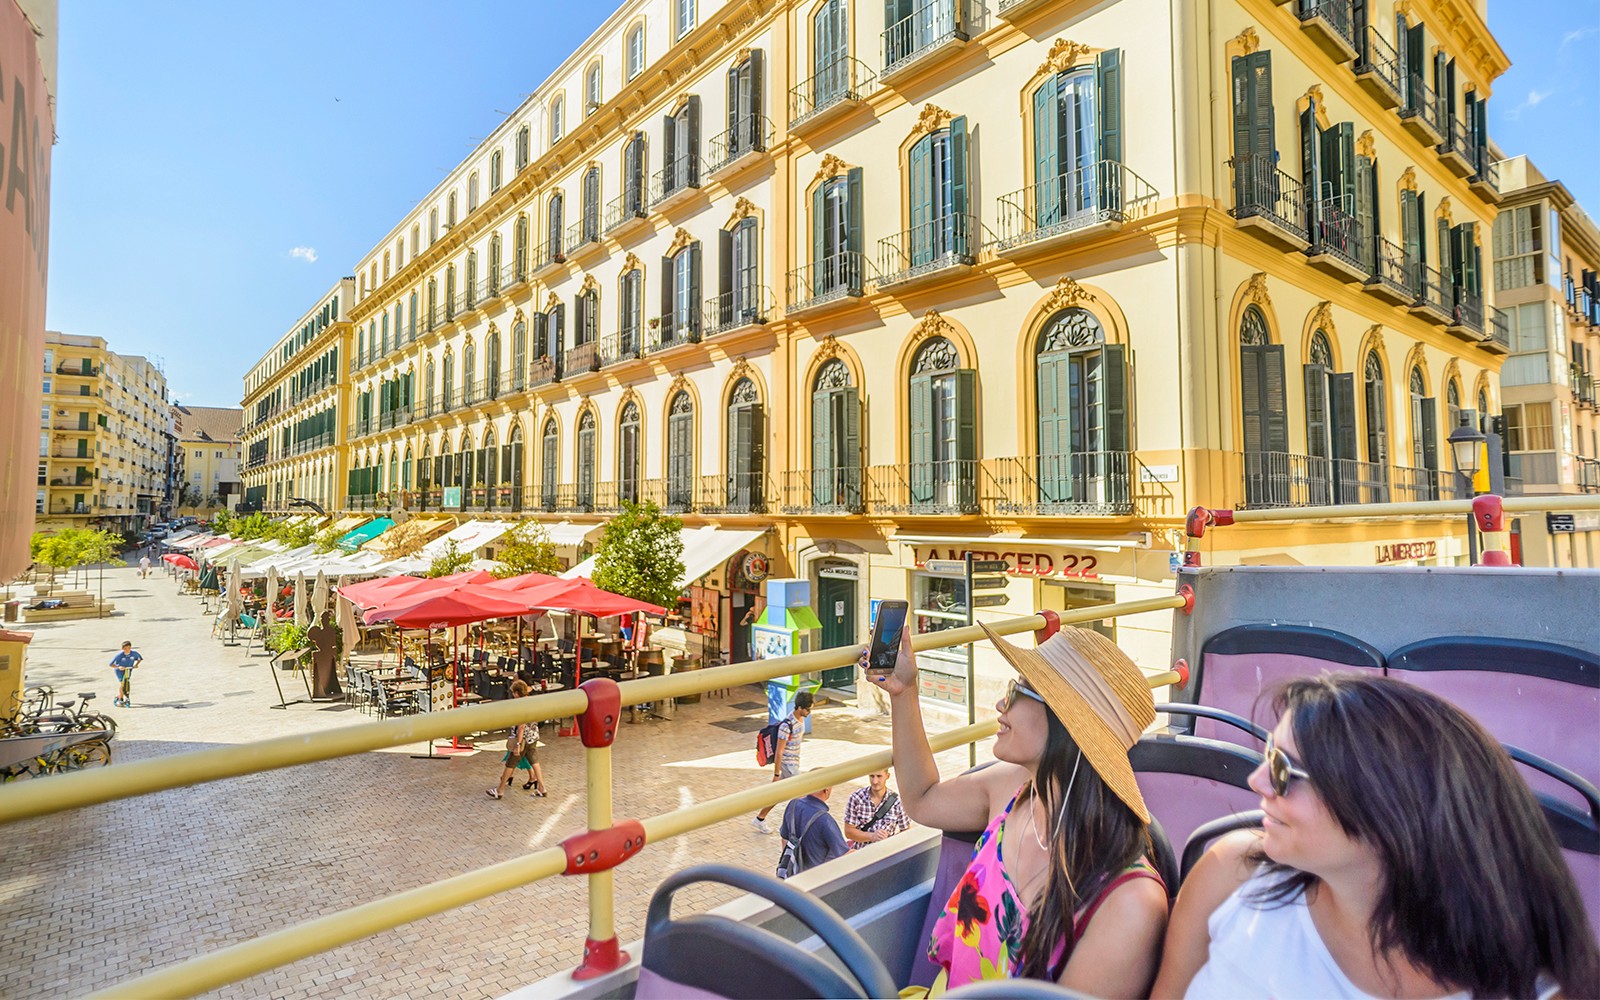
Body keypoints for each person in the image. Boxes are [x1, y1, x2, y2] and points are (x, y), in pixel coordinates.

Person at [1153, 674, 1600, 1000]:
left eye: (1282, 770)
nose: (1256, 782)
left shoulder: (1526, 988)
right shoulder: (1232, 872)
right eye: (1266, 758)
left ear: (1387, 809)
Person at [868, 622, 1167, 996]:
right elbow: (923, 798)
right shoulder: (1015, 788)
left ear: (1066, 720)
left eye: (1017, 689)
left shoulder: (1130, 904)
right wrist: (903, 692)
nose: (1000, 704)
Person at [752, 690, 814, 835]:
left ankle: (760, 819)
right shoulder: (786, 726)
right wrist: (776, 774)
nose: (809, 712)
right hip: (787, 765)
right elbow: (779, 752)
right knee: (802, 795)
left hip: (793, 763)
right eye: (808, 709)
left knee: (778, 795)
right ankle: (802, 827)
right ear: (800, 708)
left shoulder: (800, 719)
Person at [486, 680, 547, 799]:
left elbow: (521, 726)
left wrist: (518, 744)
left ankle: (500, 790)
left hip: (522, 740)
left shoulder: (520, 705)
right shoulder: (531, 702)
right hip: (533, 738)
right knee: (535, 763)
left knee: (510, 764)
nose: (513, 695)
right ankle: (542, 788)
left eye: (514, 692)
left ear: (517, 693)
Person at [776, 783, 849, 879]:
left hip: (791, 876)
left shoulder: (793, 804)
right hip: (813, 880)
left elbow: (784, 840)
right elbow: (843, 855)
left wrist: (792, 865)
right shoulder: (825, 820)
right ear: (826, 790)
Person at [843, 768, 912, 850]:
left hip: (886, 855)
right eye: (872, 776)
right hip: (861, 854)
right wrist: (872, 836)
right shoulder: (856, 798)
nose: (875, 781)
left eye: (879, 776)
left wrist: (889, 841)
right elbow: (848, 832)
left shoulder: (897, 802)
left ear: (887, 776)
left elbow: (906, 832)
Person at [109, 641, 143, 708]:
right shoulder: (119, 655)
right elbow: (111, 664)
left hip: (128, 670)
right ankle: (121, 698)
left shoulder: (134, 654)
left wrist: (136, 665)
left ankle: (121, 696)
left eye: (128, 648)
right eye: (125, 648)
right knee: (122, 683)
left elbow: (139, 659)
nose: (127, 649)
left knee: (127, 683)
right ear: (122, 648)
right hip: (120, 671)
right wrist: (118, 667)